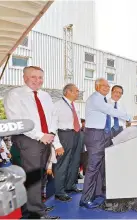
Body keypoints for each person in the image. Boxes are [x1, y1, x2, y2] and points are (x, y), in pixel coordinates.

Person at [4, 66, 60, 219]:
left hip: (47, 140)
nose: (37, 80)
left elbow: (53, 117)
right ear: (25, 77)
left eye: (40, 77)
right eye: (33, 77)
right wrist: (40, 135)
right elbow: (17, 120)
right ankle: (35, 214)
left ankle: (35, 208)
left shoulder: (46, 96)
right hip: (28, 140)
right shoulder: (15, 94)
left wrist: (51, 133)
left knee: (41, 177)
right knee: (33, 178)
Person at [80, 78, 131, 209]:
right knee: (93, 167)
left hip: (102, 134)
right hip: (96, 135)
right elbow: (111, 111)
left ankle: (97, 193)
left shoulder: (101, 99)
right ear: (97, 86)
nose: (107, 88)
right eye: (104, 86)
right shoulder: (96, 99)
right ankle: (85, 199)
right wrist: (130, 117)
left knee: (100, 166)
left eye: (108, 86)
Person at [52, 83, 83, 202]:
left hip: (77, 134)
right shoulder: (57, 105)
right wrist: (57, 144)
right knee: (63, 164)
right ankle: (59, 192)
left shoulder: (73, 105)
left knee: (75, 162)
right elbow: (53, 126)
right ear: (68, 92)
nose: (78, 93)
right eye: (76, 91)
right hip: (65, 135)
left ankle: (70, 186)